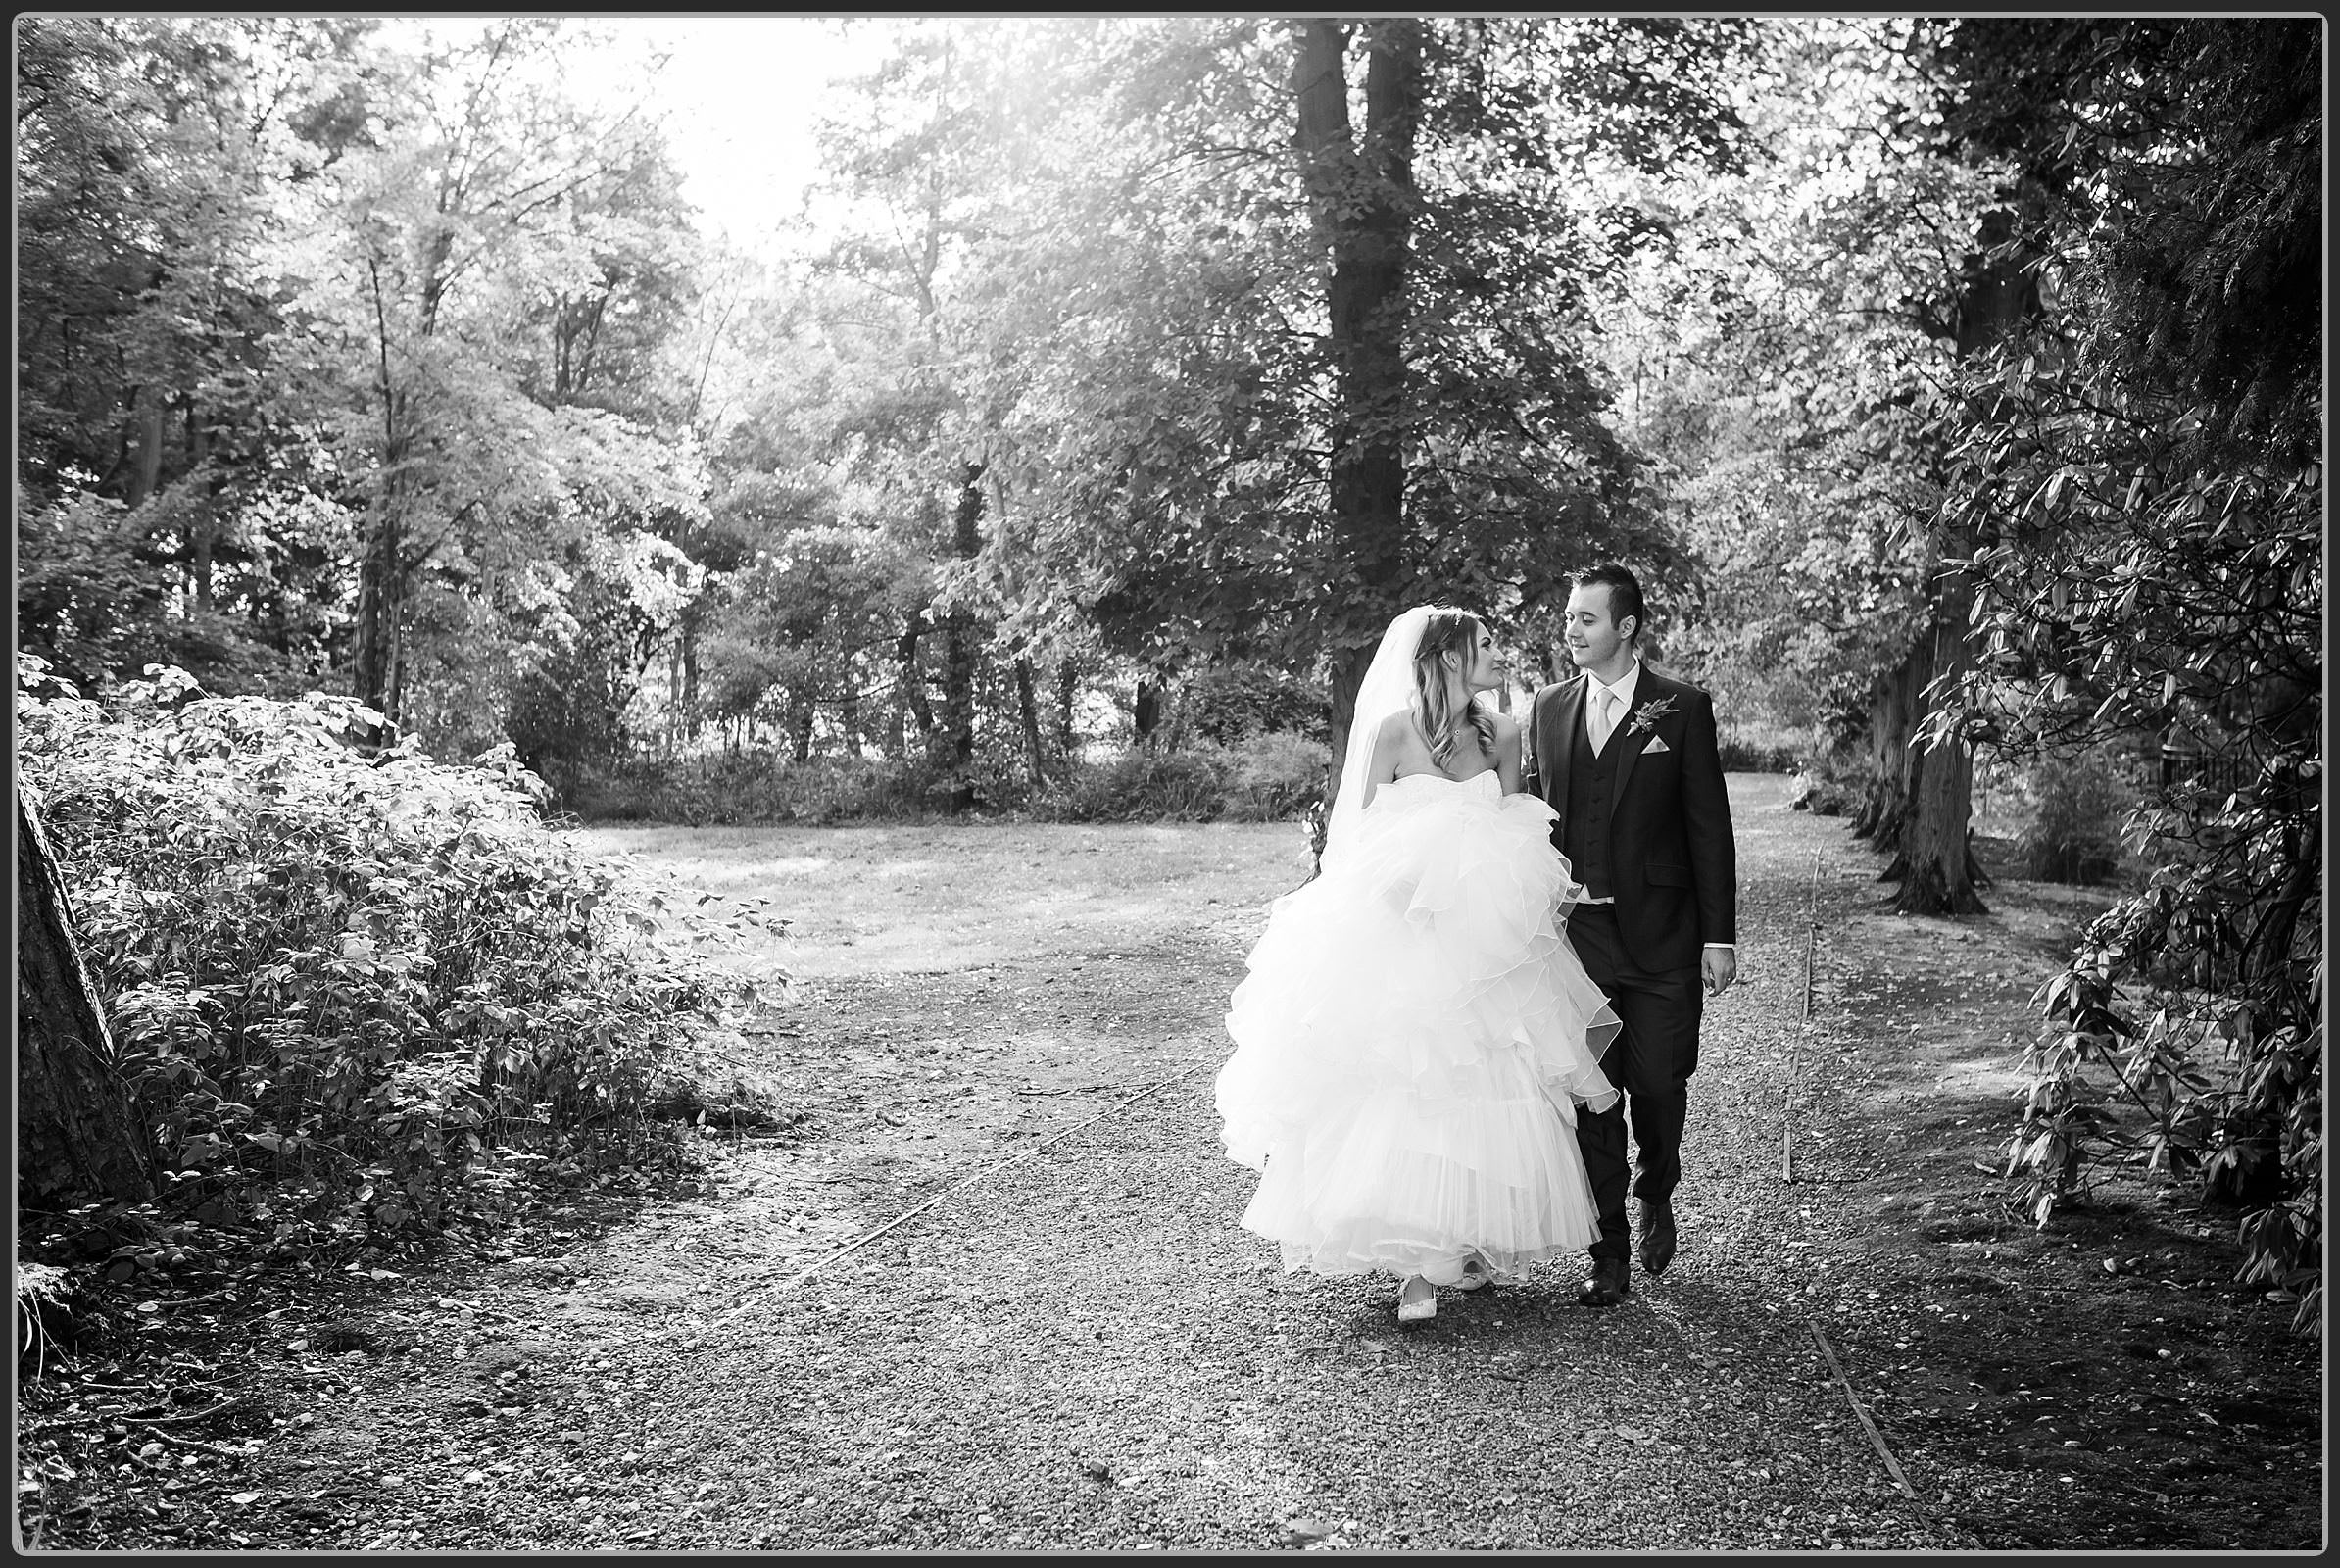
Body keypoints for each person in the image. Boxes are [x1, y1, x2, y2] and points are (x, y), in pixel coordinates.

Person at [1215, 607, 1621, 1324]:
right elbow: (1362, 837)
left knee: (1486, 1079)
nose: (1498, 652)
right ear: (1447, 658)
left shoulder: (1503, 733)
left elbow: (1517, 825)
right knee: (1411, 1084)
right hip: (1405, 933)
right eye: (1485, 644)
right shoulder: (1393, 732)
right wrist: (1404, 888)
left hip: (1483, 943)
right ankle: (1414, 1269)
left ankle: (1458, 1241)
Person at [1524, 563, 1738, 1310]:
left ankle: (1658, 1188)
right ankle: (1606, 1246)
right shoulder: (1547, 708)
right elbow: (1530, 821)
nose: (1571, 630)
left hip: (1663, 933)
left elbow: (1709, 829)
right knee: (1592, 1093)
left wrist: (1721, 937)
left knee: (1656, 1080)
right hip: (1576, 937)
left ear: (1626, 627)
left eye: (1585, 619)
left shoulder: (1680, 709)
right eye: (1569, 617)